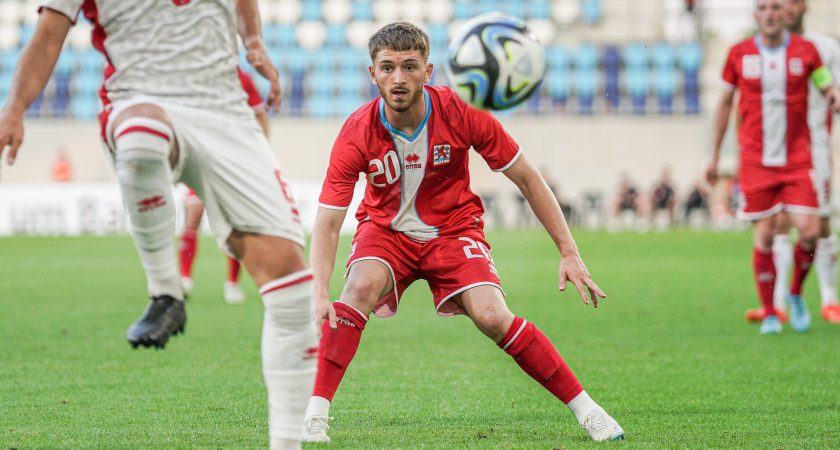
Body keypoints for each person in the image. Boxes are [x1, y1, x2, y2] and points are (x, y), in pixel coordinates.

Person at [0, 2, 317, 448]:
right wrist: (15, 107)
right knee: (141, 136)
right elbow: (49, 34)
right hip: (140, 97)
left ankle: (287, 444)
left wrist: (253, 41)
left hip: (226, 111)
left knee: (292, 284)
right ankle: (166, 291)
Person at [301, 22, 624, 443]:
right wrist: (319, 293)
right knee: (358, 288)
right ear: (372, 74)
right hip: (386, 232)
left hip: (453, 231)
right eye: (388, 67)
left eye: (409, 66)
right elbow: (328, 222)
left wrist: (569, 251)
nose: (398, 78)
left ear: (428, 71)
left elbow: (528, 179)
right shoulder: (356, 131)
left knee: (492, 316)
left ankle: (589, 411)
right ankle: (315, 414)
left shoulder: (463, 112)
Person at [707, 0, 840, 334]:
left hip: (798, 157)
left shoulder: (807, 51)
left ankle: (795, 292)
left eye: (775, 7)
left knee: (810, 230)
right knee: (766, 233)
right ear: (755, 14)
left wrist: (832, 93)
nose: (769, 13)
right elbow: (725, 103)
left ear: (785, 14)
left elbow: (825, 81)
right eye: (763, 7)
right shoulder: (739, 54)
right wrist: (715, 156)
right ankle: (770, 312)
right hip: (756, 160)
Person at [746, 0, 840, 325]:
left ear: (804, 7)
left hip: (813, 147)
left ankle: (828, 299)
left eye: (791, 2)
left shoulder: (823, 48)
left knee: (819, 226)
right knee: (777, 224)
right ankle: (777, 304)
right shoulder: (758, 50)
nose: (784, 9)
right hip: (773, 152)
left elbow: (833, 89)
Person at [179, 68, 270, 304]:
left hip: (233, 159)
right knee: (192, 216)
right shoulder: (199, 76)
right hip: (202, 159)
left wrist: (262, 153)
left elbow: (260, 115)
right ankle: (184, 279)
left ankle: (232, 283)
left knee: (234, 223)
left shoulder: (243, 79)